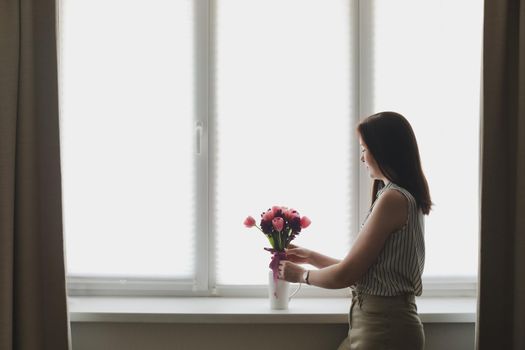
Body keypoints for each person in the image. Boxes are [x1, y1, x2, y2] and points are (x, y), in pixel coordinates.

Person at [279, 111, 431, 350]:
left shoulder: (393, 199)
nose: (362, 158)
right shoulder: (399, 196)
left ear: (383, 151)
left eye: (364, 149)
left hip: (385, 330)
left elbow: (346, 275)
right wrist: (309, 256)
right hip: (380, 326)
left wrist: (301, 275)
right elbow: (364, 271)